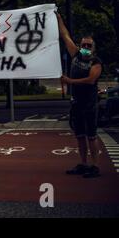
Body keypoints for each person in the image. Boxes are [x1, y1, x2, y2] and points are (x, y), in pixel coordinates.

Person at [57, 13, 102, 178]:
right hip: (76, 103)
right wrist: (59, 19)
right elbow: (64, 35)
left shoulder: (96, 63)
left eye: (89, 45)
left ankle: (95, 166)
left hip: (89, 105)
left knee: (91, 136)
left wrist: (69, 81)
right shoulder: (75, 54)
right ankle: (83, 163)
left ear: (93, 48)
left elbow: (91, 80)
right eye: (84, 44)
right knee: (80, 136)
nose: (86, 47)